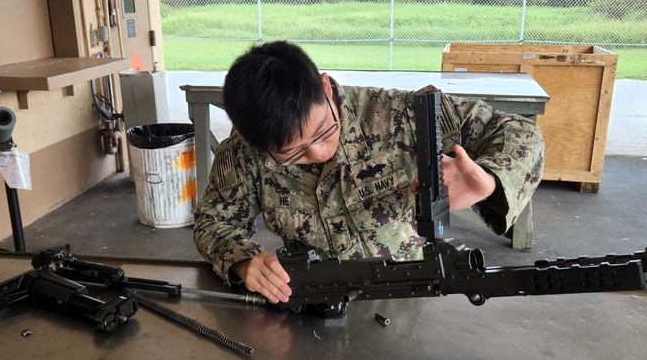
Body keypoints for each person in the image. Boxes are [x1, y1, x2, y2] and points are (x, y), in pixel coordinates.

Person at [193, 41, 544, 304]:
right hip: (313, 303)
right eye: (294, 152)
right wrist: (243, 261)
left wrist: (491, 179)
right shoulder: (243, 152)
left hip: (411, 294)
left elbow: (520, 132)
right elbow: (213, 222)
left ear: (326, 87)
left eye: (323, 131)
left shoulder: (399, 114)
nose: (318, 151)